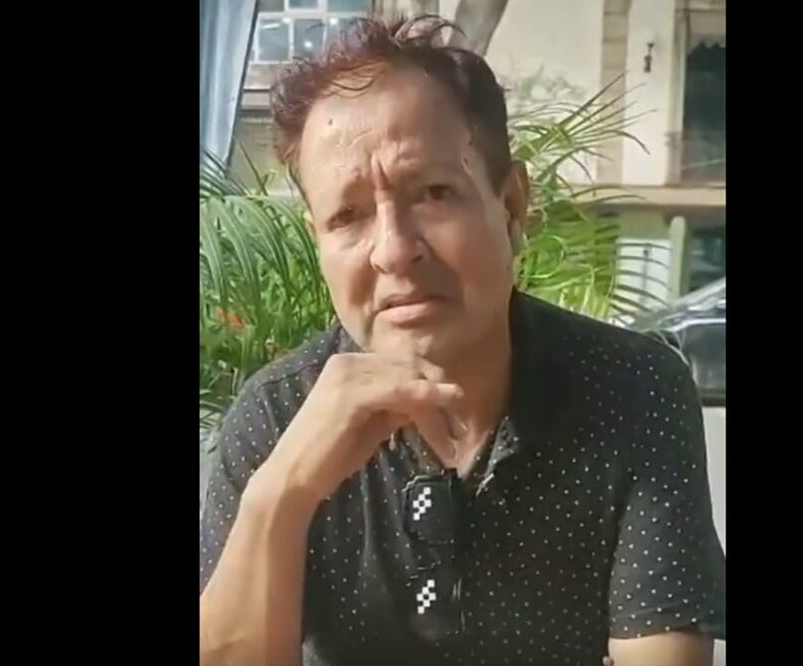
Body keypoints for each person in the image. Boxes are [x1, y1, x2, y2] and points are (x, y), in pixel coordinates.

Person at [199, 15, 725, 666]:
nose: (394, 250)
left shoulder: (631, 390)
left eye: (434, 193)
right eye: (348, 216)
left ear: (512, 204)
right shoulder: (277, 416)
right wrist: (284, 492)